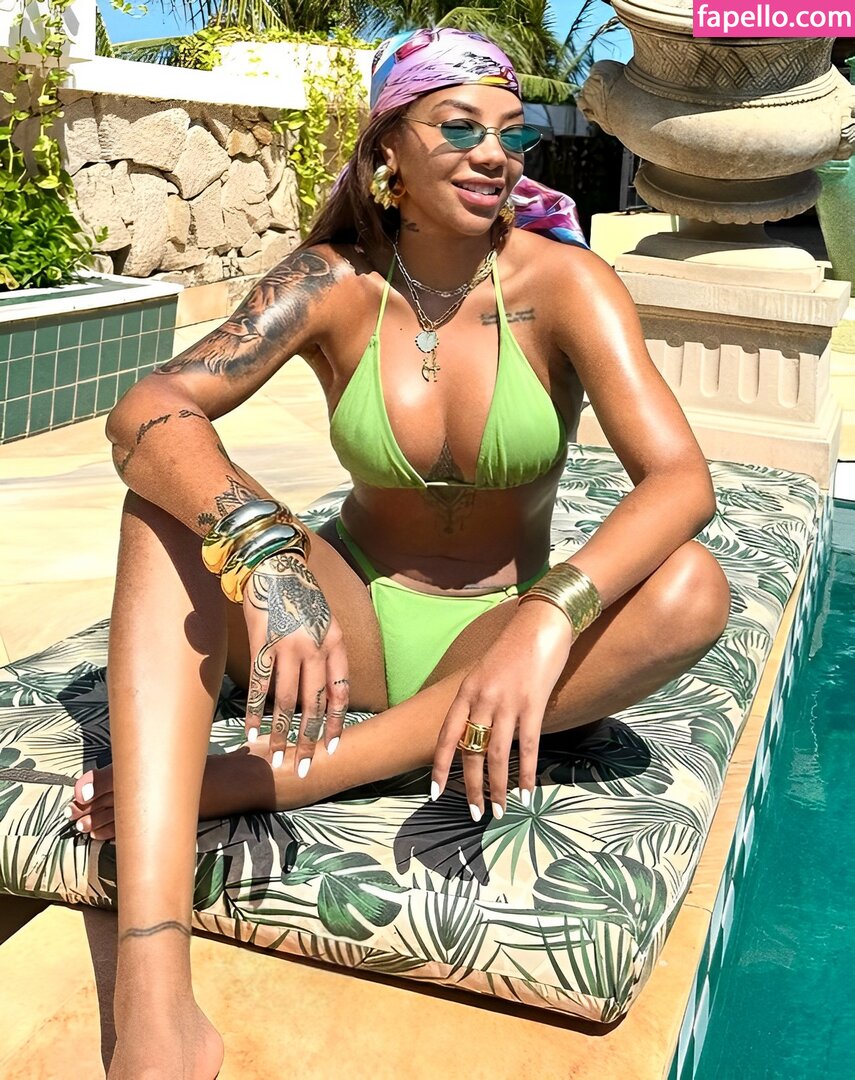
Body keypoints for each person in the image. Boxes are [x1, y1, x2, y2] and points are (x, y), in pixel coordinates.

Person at [65, 27, 730, 1080]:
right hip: (351, 620)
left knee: (693, 587)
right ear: (389, 150)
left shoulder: (565, 283)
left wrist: (548, 616)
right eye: (459, 128)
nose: (493, 154)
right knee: (167, 505)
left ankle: (268, 779)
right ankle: (154, 993)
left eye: (510, 133)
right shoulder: (329, 282)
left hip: (497, 647)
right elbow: (148, 409)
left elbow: (680, 481)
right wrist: (266, 555)